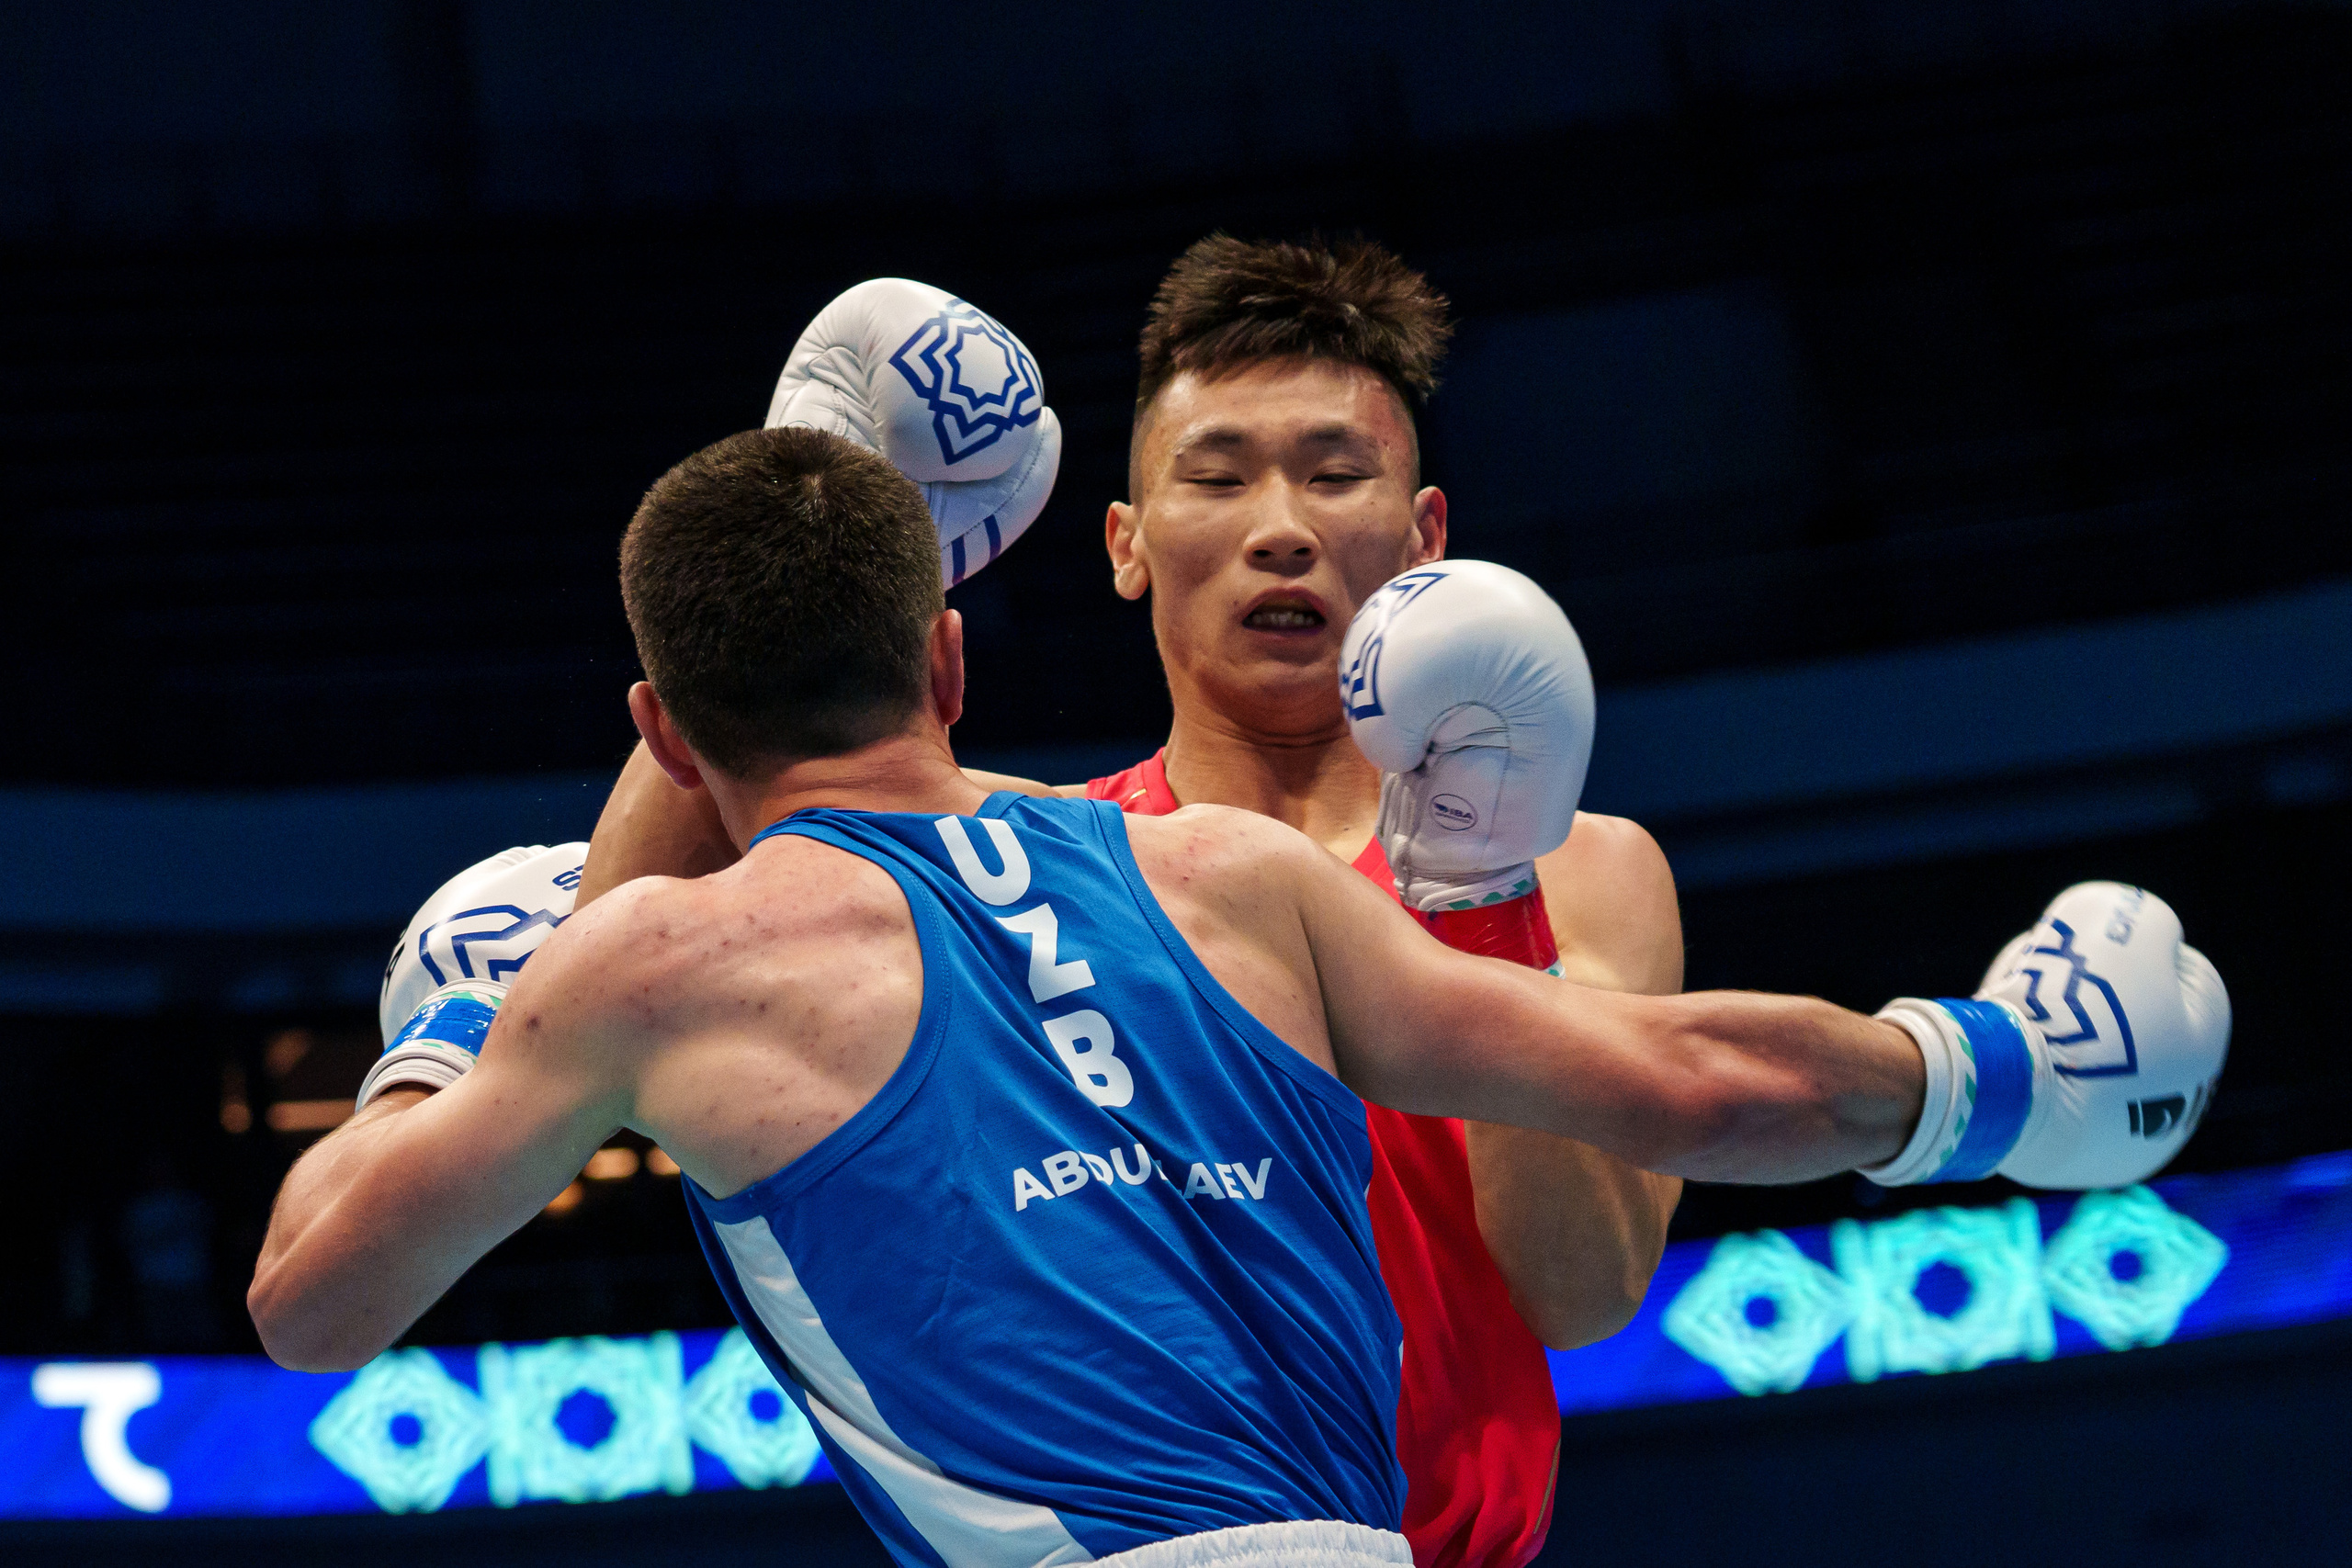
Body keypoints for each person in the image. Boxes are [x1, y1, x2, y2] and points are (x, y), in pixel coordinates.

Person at [254, 427, 2228, 1568]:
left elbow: (312, 1301)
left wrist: (448, 1036)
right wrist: (1993, 1069)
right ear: (949, 662)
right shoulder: (1230, 874)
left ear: (657, 730)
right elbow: (1679, 1081)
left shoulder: (659, 964)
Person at [579, 240, 1680, 1568]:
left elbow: (1583, 1292)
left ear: (1426, 535)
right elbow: (620, 941)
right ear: (1127, 545)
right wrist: (813, 547)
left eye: (1336, 475)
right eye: (1216, 477)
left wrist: (1485, 888)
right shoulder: (1020, 870)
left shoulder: (1580, 869)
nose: (1282, 525)